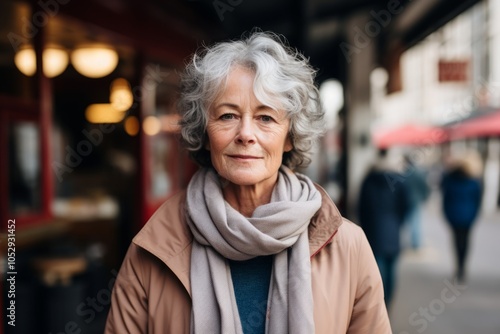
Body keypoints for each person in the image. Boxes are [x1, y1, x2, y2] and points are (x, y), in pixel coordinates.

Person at [105, 31, 390, 333]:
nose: (246, 134)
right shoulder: (153, 248)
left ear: (290, 137)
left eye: (266, 118)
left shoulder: (348, 246)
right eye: (228, 116)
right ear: (204, 133)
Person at [358, 148, 411, 309]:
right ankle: (387, 305)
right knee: (391, 271)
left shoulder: (368, 180)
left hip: (373, 232)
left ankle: (380, 306)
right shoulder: (400, 181)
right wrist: (398, 223)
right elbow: (406, 207)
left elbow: (360, 207)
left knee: (377, 271)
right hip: (393, 232)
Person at [440, 151, 483, 283]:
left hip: (454, 216)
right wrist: (474, 216)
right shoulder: (474, 182)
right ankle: (462, 267)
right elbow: (477, 201)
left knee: (457, 241)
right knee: (465, 241)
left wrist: (447, 215)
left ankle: (459, 266)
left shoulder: (450, 180)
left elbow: (445, 199)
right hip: (468, 217)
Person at [402, 154, 430, 250]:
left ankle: (413, 242)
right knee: (415, 221)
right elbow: (424, 186)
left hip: (407, 200)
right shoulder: (418, 173)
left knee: (408, 221)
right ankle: (415, 242)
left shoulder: (405, 174)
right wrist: (424, 197)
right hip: (416, 200)